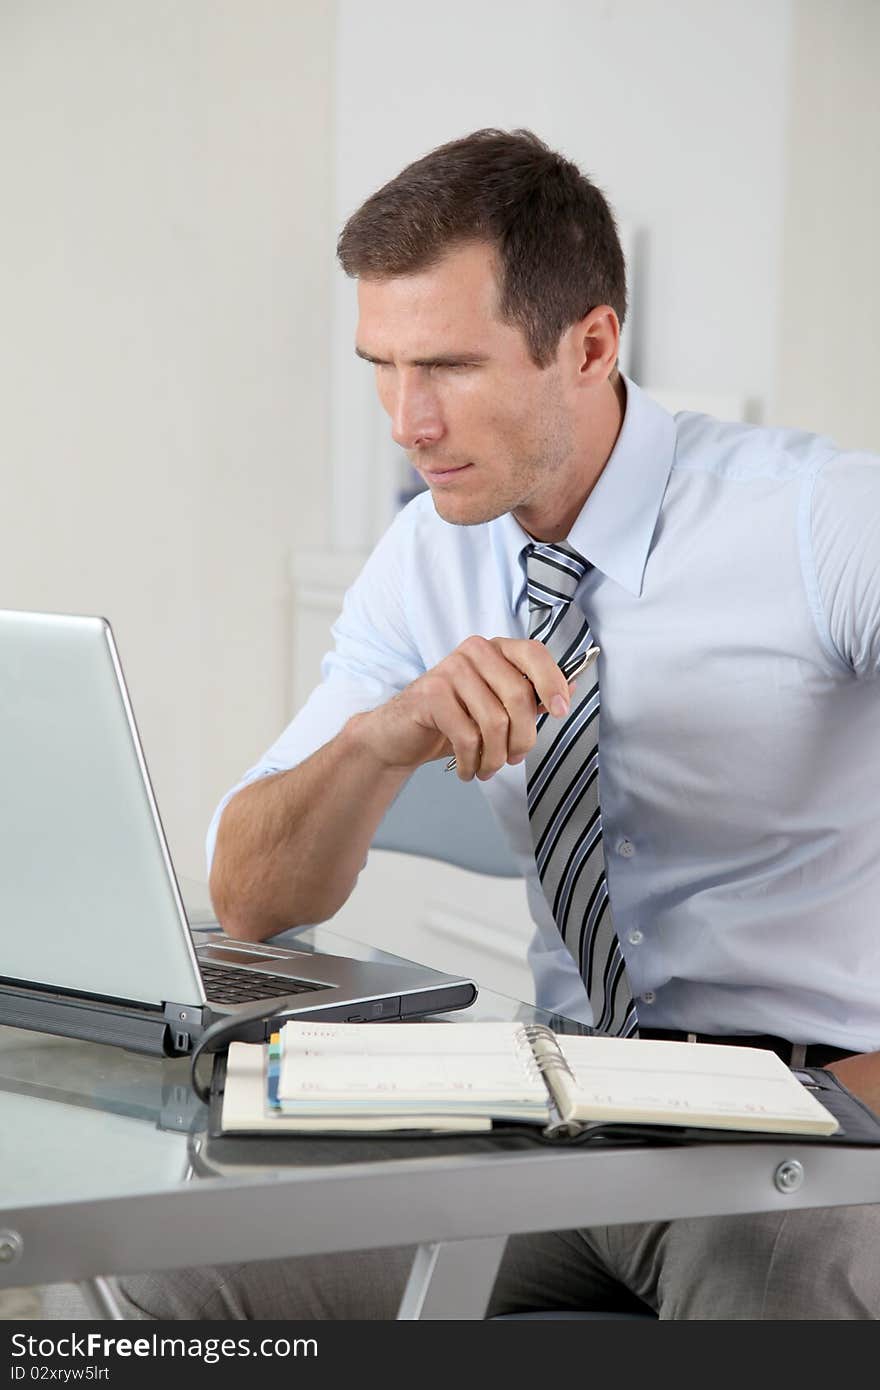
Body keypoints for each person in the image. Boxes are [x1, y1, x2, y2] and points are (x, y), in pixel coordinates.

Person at [125, 128, 880, 1319]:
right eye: (381, 364)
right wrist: (390, 732)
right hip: (555, 1103)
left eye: (449, 367)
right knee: (166, 1276)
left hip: (802, 1114)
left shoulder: (817, 522)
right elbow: (254, 894)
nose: (405, 421)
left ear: (589, 344)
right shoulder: (424, 554)